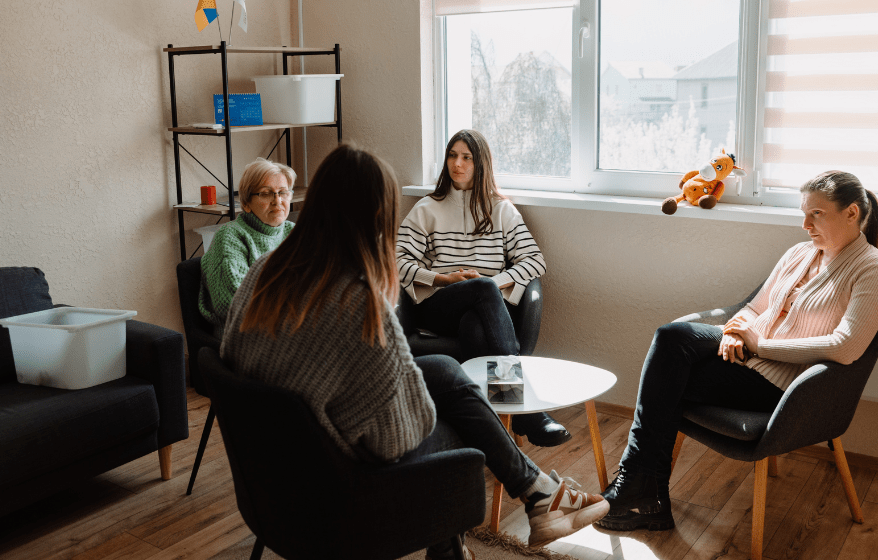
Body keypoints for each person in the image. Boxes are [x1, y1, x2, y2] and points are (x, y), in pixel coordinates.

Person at [221, 143, 609, 557]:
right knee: (463, 428)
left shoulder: (266, 270)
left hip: (273, 465)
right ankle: (489, 524)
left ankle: (537, 493)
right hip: (335, 478)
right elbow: (395, 439)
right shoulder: (359, 302)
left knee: (443, 368)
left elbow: (234, 354)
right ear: (376, 218)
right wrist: (419, 395)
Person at [597, 171, 878, 532]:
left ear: (851, 213)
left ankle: (640, 487)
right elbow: (754, 308)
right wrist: (735, 333)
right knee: (672, 337)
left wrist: (759, 344)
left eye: (816, 214)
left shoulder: (873, 269)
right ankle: (642, 488)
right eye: (804, 213)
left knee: (666, 377)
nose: (805, 224)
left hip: (783, 388)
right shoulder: (801, 252)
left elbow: (846, 348)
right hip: (745, 359)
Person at [396, 129, 570, 448]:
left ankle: (486, 429)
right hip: (439, 304)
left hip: (485, 310)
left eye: (466, 157)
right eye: (452, 155)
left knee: (475, 325)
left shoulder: (501, 209)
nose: (457, 164)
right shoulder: (427, 208)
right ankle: (527, 414)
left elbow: (534, 261)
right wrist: (443, 279)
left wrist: (493, 282)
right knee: (481, 291)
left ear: (481, 164)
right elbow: (397, 260)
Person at [199, 158, 296, 334]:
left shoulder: (294, 233)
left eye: (283, 192)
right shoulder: (230, 237)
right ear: (246, 204)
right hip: (246, 336)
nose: (277, 200)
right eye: (266, 193)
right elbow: (236, 304)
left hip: (292, 325)